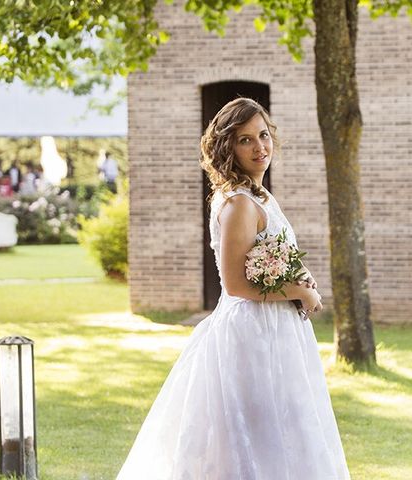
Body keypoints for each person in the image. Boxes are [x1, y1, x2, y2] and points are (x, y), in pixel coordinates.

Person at [116, 98, 350, 480]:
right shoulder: (239, 203)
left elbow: (275, 253)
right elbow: (237, 283)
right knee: (254, 434)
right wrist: (299, 292)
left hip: (278, 330)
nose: (260, 147)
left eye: (263, 135)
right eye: (245, 140)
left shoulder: (260, 195)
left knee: (285, 433)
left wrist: (300, 276)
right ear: (228, 147)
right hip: (251, 334)